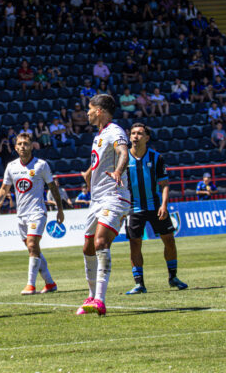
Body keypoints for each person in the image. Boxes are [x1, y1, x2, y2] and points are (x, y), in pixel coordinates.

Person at [0, 133, 64, 295]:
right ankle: (50, 283)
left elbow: (52, 187)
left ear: (32, 146)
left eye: (26, 144)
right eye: (20, 144)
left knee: (31, 245)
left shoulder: (41, 165)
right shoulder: (11, 166)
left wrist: (60, 209)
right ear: (15, 147)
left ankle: (30, 285)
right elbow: (4, 188)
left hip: (37, 212)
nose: (23, 146)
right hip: (21, 215)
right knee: (33, 249)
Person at [77, 94, 131, 317]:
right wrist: (89, 174)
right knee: (87, 247)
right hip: (96, 199)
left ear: (99, 110)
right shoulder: (99, 135)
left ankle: (100, 299)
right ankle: (91, 296)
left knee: (100, 242)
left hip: (114, 196)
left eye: (89, 109)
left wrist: (118, 171)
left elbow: (123, 153)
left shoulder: (115, 131)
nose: (86, 113)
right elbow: (99, 161)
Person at [124, 124, 188, 295]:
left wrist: (164, 205)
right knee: (135, 244)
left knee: (169, 240)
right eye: (133, 133)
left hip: (156, 206)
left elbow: (164, 184)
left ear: (147, 138)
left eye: (140, 133)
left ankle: (173, 277)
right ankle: (139, 284)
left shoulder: (156, 157)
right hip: (133, 208)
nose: (135, 136)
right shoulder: (123, 158)